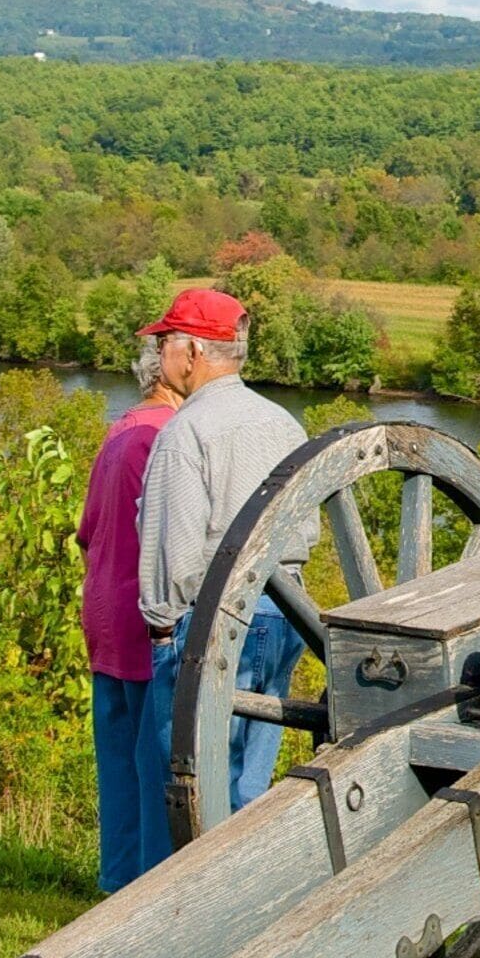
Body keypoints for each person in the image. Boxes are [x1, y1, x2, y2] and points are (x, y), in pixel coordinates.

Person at [131, 285, 309, 833]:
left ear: (192, 352)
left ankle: (193, 906)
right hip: (284, 616)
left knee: (190, 786)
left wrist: (163, 632)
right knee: (248, 785)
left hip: (212, 623)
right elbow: (308, 529)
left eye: (163, 342)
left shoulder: (186, 433)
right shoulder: (283, 422)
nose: (159, 355)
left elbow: (174, 554)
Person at [79, 337, 184, 892]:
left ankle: (116, 882)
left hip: (102, 609)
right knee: (155, 763)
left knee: (117, 760)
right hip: (146, 617)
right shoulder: (168, 435)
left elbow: (88, 530)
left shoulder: (119, 430)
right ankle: (149, 892)